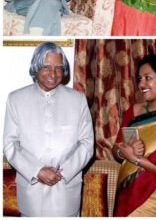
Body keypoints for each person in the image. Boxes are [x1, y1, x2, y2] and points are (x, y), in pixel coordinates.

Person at [3, 42, 94, 217]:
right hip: (31, 194)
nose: (53, 74)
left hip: (66, 193)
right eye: (46, 67)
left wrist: (63, 172)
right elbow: (9, 145)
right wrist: (37, 171)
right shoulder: (16, 99)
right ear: (36, 67)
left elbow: (87, 143)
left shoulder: (78, 100)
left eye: (59, 68)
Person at [112, 55, 156, 216]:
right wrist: (124, 151)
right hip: (127, 192)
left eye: (148, 78)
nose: (142, 84)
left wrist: (134, 159)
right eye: (140, 79)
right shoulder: (134, 111)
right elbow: (115, 150)